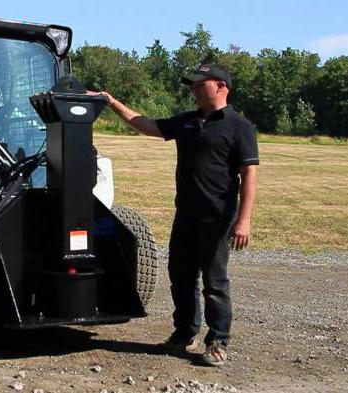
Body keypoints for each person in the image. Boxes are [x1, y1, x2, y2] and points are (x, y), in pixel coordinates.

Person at [97, 64, 258, 367]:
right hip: (185, 215)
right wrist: (111, 102)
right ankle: (185, 332)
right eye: (193, 85)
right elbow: (146, 125)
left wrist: (243, 219)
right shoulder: (187, 122)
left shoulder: (239, 126)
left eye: (200, 84)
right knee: (181, 277)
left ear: (221, 86)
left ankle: (218, 341)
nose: (194, 89)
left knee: (214, 282)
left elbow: (249, 173)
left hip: (217, 218)